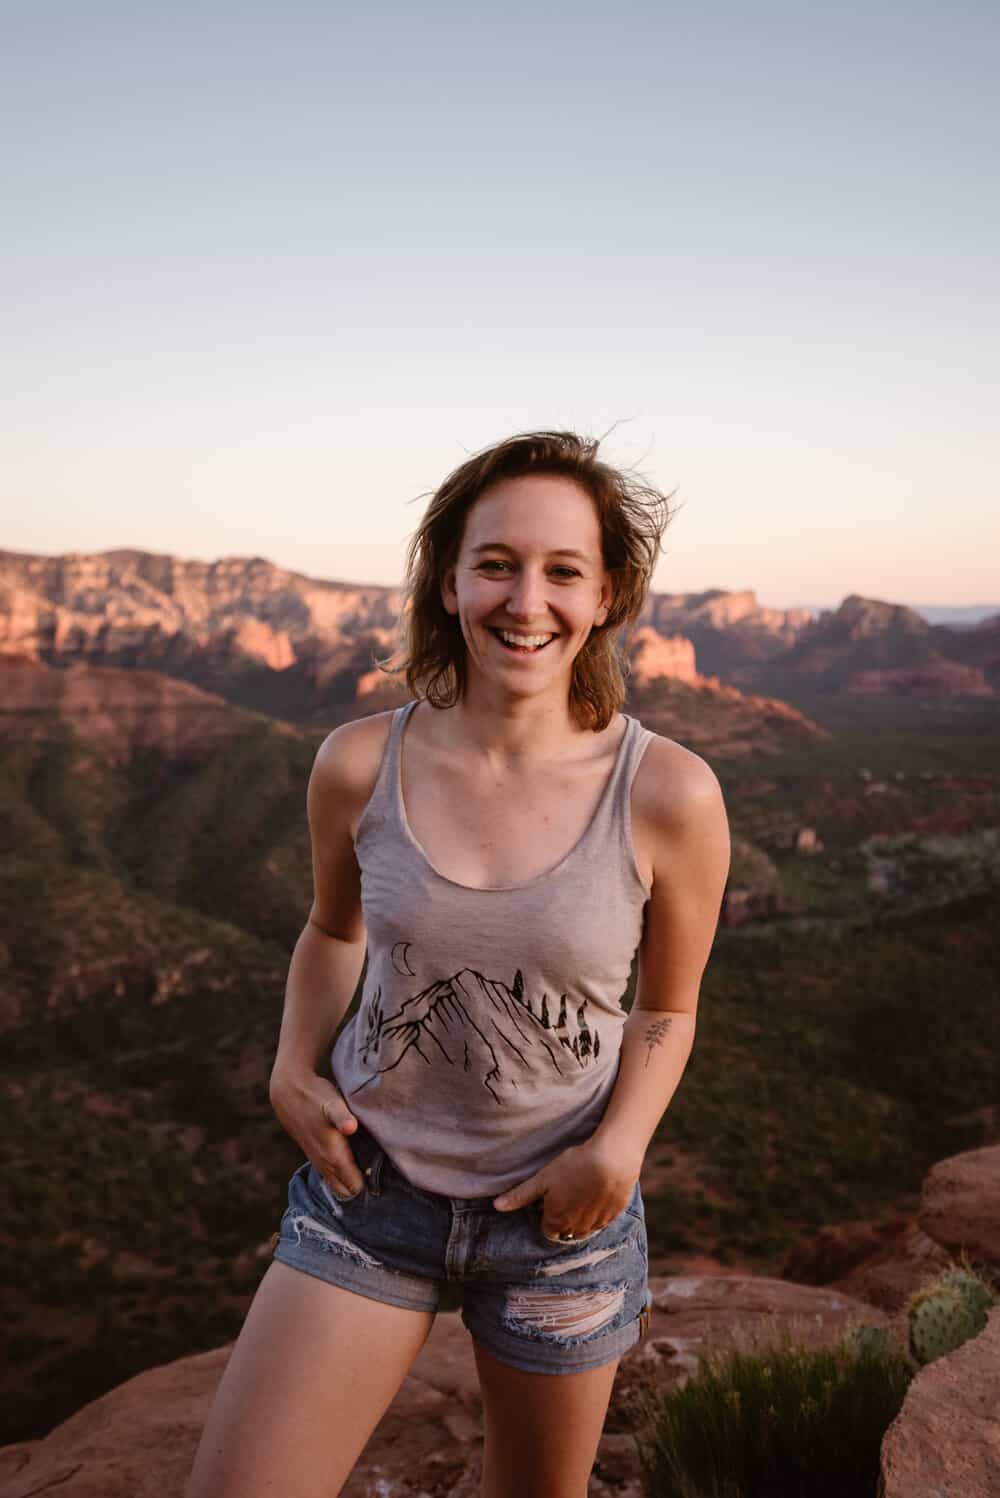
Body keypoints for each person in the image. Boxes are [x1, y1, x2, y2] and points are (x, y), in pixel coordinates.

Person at [187, 430, 731, 1498]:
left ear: (607, 595)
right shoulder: (356, 762)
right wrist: (291, 1065)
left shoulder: (669, 793)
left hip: (557, 1219)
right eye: (496, 563)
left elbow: (668, 1007)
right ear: (448, 580)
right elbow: (333, 930)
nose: (525, 600)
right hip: (369, 1193)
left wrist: (617, 1151)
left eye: (561, 570)